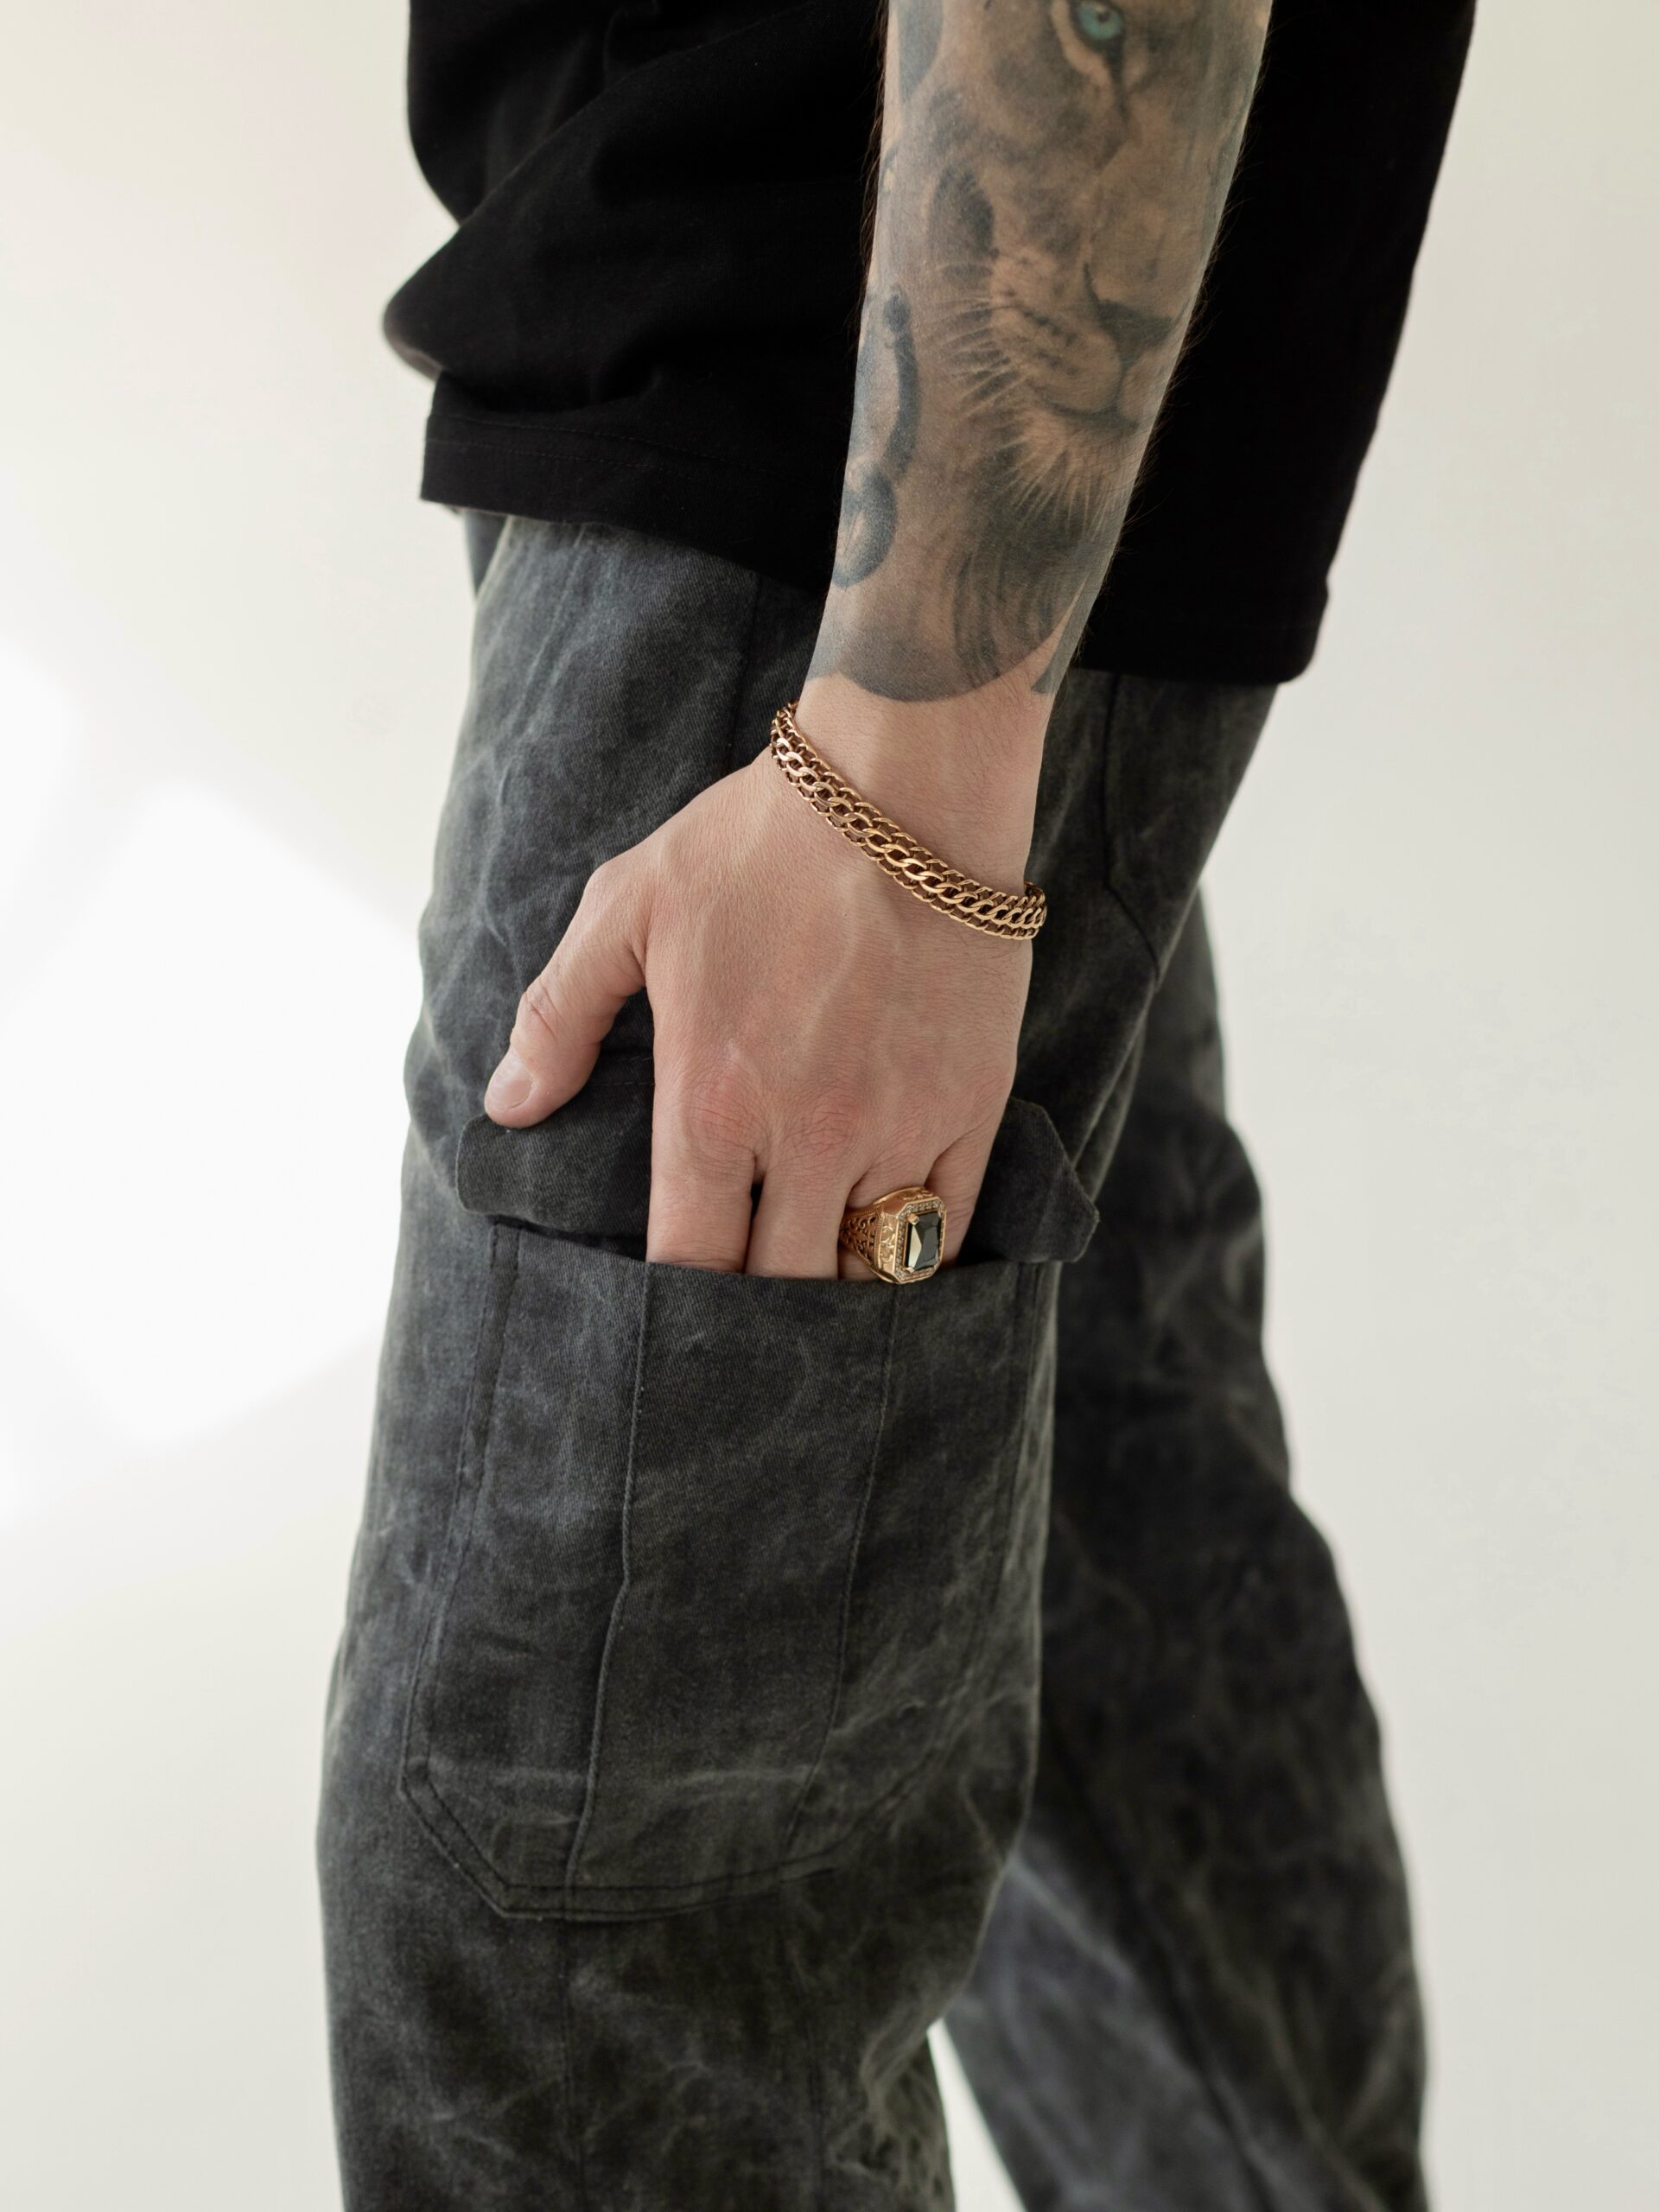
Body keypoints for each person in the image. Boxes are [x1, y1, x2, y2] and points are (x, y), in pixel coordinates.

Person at [318, 0, 1473, 2203]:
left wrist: (902, 758)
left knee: (585, 1986)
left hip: (858, 495)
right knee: (1106, 1618)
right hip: (851, 445)